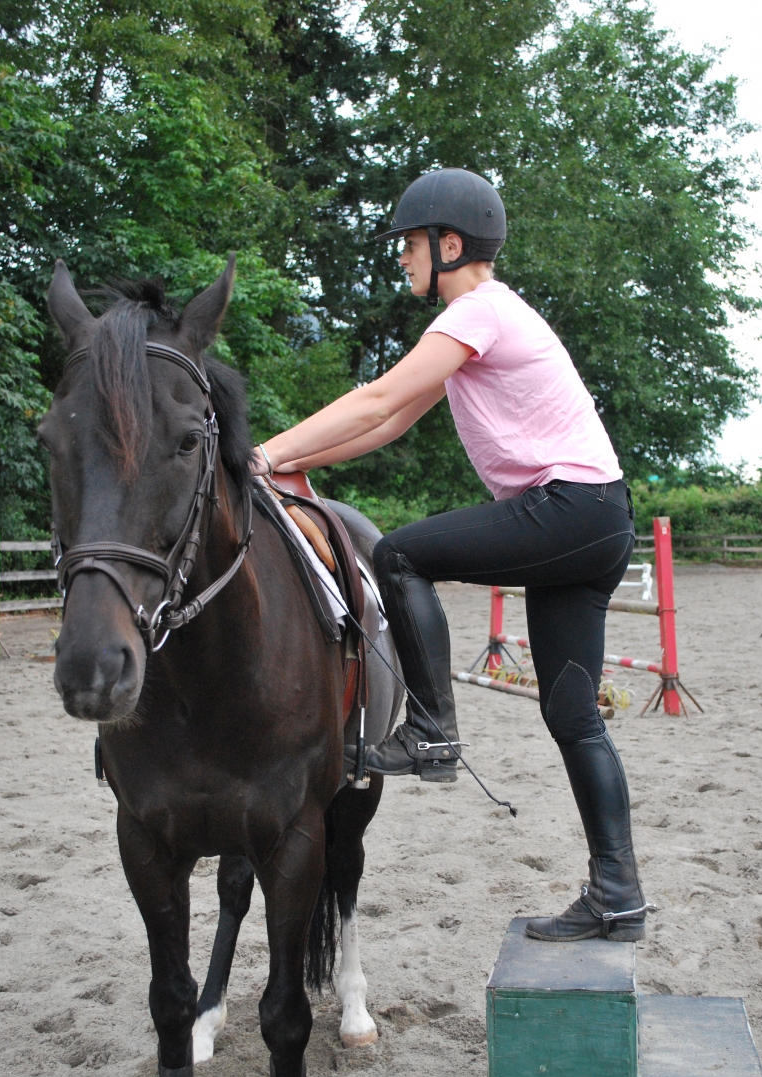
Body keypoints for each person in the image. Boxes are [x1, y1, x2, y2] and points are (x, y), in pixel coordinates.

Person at [252, 167, 652, 943]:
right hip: (594, 522)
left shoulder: (479, 311)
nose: (401, 256)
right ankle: (617, 895)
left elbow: (375, 398)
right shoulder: (474, 326)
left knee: (399, 556)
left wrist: (261, 454)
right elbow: (387, 421)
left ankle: (431, 729)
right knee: (573, 717)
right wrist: (291, 461)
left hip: (569, 509)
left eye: (409, 243)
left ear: (449, 244)